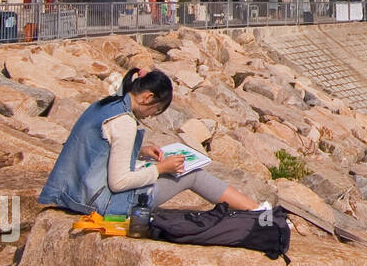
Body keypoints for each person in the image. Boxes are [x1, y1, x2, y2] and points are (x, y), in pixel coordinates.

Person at [38, 68, 260, 218]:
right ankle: (258, 212)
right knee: (192, 174)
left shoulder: (104, 106)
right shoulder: (124, 122)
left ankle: (255, 210)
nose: (153, 116)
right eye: (156, 110)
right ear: (147, 98)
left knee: (170, 170)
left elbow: (97, 150)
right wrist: (160, 169)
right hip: (98, 204)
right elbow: (119, 183)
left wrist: (141, 151)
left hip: (72, 193)